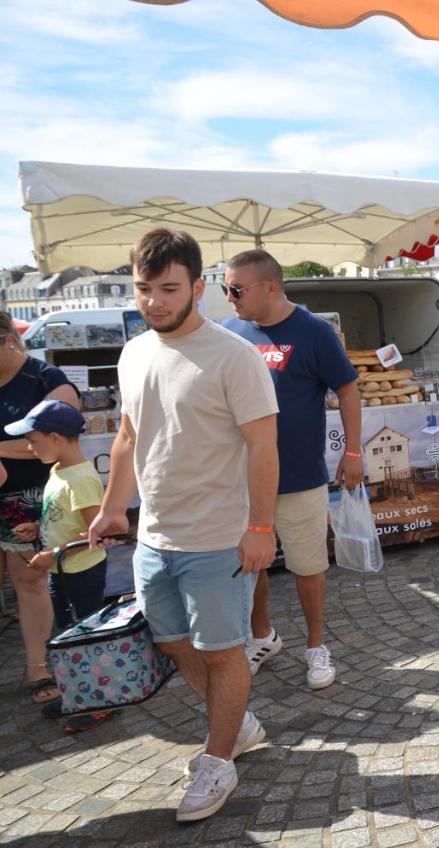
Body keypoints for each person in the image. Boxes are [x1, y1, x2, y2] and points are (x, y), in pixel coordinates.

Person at [88, 229, 279, 822]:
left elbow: (263, 447)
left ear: (198, 287)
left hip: (219, 536)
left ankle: (218, 758)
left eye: (169, 289)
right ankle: (238, 724)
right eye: (144, 289)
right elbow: (128, 436)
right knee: (170, 639)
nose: (154, 302)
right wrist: (113, 506)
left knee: (223, 652)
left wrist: (261, 527)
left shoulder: (234, 356)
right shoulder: (133, 352)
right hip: (155, 535)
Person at [221, 249, 362, 691]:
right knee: (250, 564)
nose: (230, 298)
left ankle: (317, 646)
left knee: (308, 565)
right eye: (225, 289)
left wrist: (353, 452)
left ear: (271, 287)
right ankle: (262, 636)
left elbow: (349, 390)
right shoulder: (230, 332)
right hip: (244, 477)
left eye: (236, 289)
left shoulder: (314, 331)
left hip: (299, 474)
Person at [6, 400, 110, 733]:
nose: (28, 447)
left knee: (86, 636)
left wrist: (52, 553)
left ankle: (101, 701)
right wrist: (38, 529)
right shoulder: (58, 471)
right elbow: (62, 516)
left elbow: (95, 532)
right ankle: (78, 694)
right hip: (62, 570)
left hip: (81, 572)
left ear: (55, 438)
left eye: (33, 440)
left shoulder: (80, 478)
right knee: (66, 636)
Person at [0, 311, 79, 709]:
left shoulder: (45, 378)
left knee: (29, 580)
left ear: (7, 340)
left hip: (29, 496)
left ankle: (37, 667)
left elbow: (59, 436)